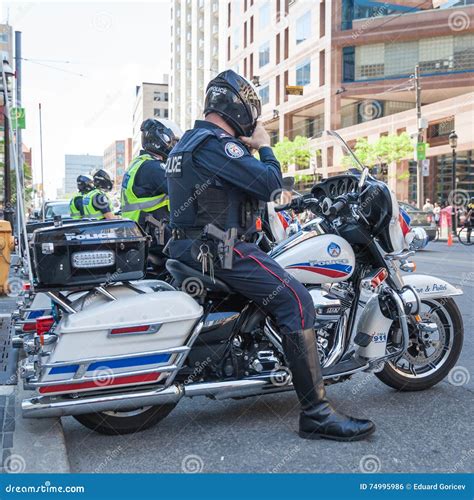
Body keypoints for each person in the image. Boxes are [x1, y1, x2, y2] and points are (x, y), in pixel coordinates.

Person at [165, 70, 375, 441]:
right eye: (253, 112)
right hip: (221, 249)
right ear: (239, 107)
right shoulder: (216, 143)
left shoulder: (187, 143)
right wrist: (264, 145)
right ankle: (316, 413)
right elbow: (270, 184)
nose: (255, 121)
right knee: (295, 299)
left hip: (193, 247)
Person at [121, 118, 181, 228]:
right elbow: (182, 191)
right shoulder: (153, 168)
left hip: (137, 231)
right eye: (174, 141)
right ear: (163, 139)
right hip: (152, 236)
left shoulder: (138, 164)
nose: (175, 145)